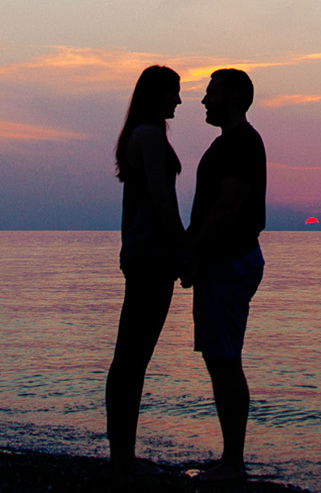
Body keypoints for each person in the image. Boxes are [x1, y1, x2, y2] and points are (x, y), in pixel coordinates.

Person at [181, 67, 267, 484]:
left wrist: (191, 251)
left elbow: (228, 206)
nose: (203, 100)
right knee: (220, 358)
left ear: (233, 97)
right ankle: (230, 459)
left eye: (211, 92)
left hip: (230, 262)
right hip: (223, 262)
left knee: (225, 358)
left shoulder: (241, 143)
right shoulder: (230, 143)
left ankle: (233, 463)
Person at [106, 64, 185, 474]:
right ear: (155, 94)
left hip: (141, 254)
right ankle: (123, 457)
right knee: (133, 359)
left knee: (130, 358)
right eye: (173, 92)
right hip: (151, 257)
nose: (179, 100)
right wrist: (184, 247)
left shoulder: (141, 135)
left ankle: (122, 453)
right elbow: (161, 200)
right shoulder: (150, 137)